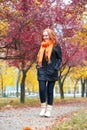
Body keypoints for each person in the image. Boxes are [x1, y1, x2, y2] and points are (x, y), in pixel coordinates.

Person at [36, 28, 62, 117]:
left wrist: (55, 68)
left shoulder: (56, 46)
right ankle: (43, 108)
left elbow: (59, 59)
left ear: (50, 35)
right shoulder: (42, 46)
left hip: (52, 71)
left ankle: (48, 110)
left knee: (49, 91)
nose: (45, 37)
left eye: (46, 35)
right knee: (42, 89)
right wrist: (38, 67)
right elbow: (38, 57)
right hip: (42, 70)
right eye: (43, 36)